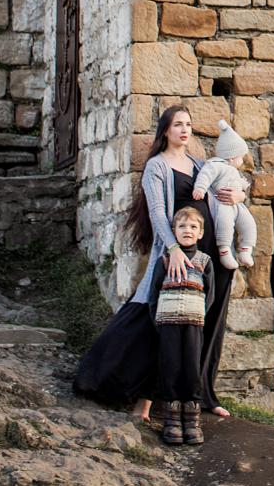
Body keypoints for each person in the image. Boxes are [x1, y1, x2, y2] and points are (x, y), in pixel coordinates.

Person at [72, 104, 247, 425]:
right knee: (158, 320)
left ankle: (202, 395)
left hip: (213, 258)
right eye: (178, 124)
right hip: (178, 258)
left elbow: (229, 191)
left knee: (208, 324)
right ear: (165, 130)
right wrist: (173, 251)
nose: (184, 130)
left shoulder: (199, 164)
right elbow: (157, 213)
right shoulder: (157, 166)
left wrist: (239, 197)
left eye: (189, 124)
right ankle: (123, 388)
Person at [152, 204, 212, 445]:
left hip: (193, 322)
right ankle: (172, 419)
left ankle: (192, 418)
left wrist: (200, 315)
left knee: (191, 366)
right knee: (171, 366)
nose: (188, 230)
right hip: (168, 322)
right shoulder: (165, 260)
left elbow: (211, 295)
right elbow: (154, 292)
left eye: (193, 226)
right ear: (174, 231)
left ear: (200, 233)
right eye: (182, 226)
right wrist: (157, 319)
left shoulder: (204, 261)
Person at [195, 120, 257, 269]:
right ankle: (224, 251)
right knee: (225, 224)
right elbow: (205, 176)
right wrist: (200, 188)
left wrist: (242, 191)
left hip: (237, 204)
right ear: (231, 156)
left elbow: (240, 186)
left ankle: (246, 250)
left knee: (249, 223)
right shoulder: (216, 165)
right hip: (222, 203)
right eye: (240, 157)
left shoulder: (233, 170)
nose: (242, 161)